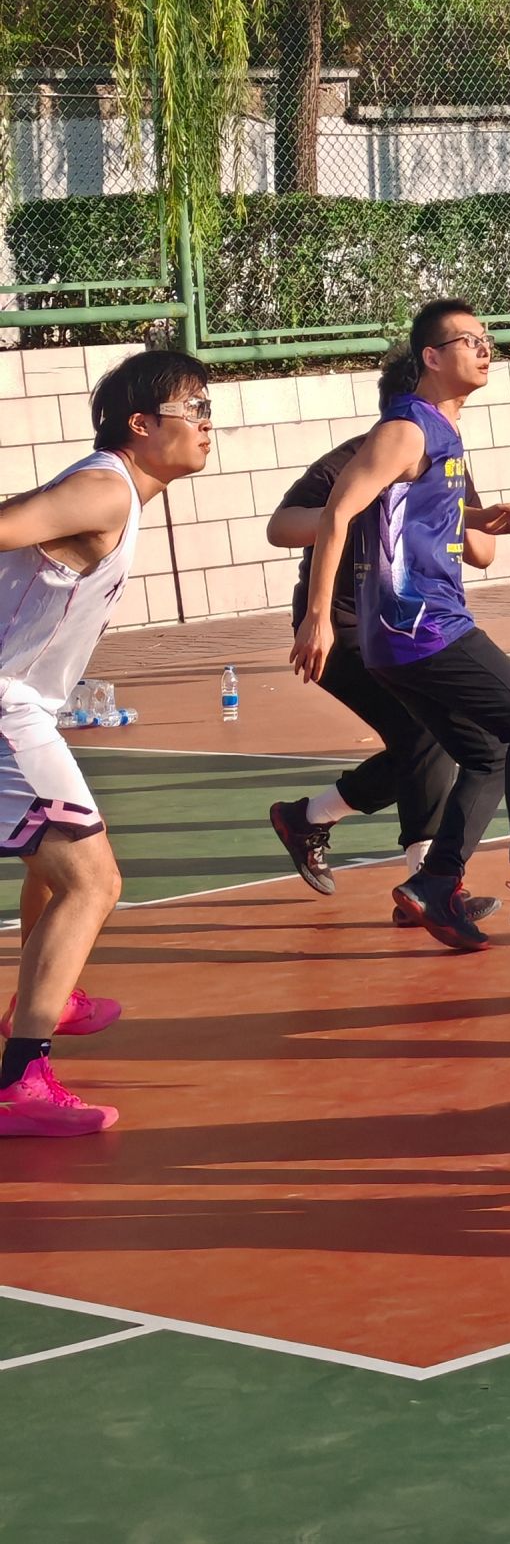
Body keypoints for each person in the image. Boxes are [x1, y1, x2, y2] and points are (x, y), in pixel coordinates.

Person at [295, 299, 510, 950]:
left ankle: (436, 883)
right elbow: (337, 514)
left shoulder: (442, 431)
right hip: (420, 624)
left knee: (487, 752)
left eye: (487, 338)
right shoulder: (407, 428)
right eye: (469, 340)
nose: (485, 348)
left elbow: (405, 515)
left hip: (409, 630)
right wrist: (318, 618)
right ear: (431, 357)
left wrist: (477, 519)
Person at [0, 347, 212, 1137]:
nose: (208, 424)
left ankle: (45, 997)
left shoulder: (115, 490)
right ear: (142, 424)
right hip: (5, 710)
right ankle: (20, 1080)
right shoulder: (103, 488)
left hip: (24, 709)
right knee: (94, 883)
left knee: (56, 866)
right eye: (196, 410)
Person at [265, 348, 510, 910]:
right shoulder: (354, 461)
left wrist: (473, 516)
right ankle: (425, 879)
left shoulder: (444, 456)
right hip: (345, 626)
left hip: (414, 623)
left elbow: (482, 554)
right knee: (426, 735)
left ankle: (316, 820)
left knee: (442, 739)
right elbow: (281, 527)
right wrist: (365, 506)